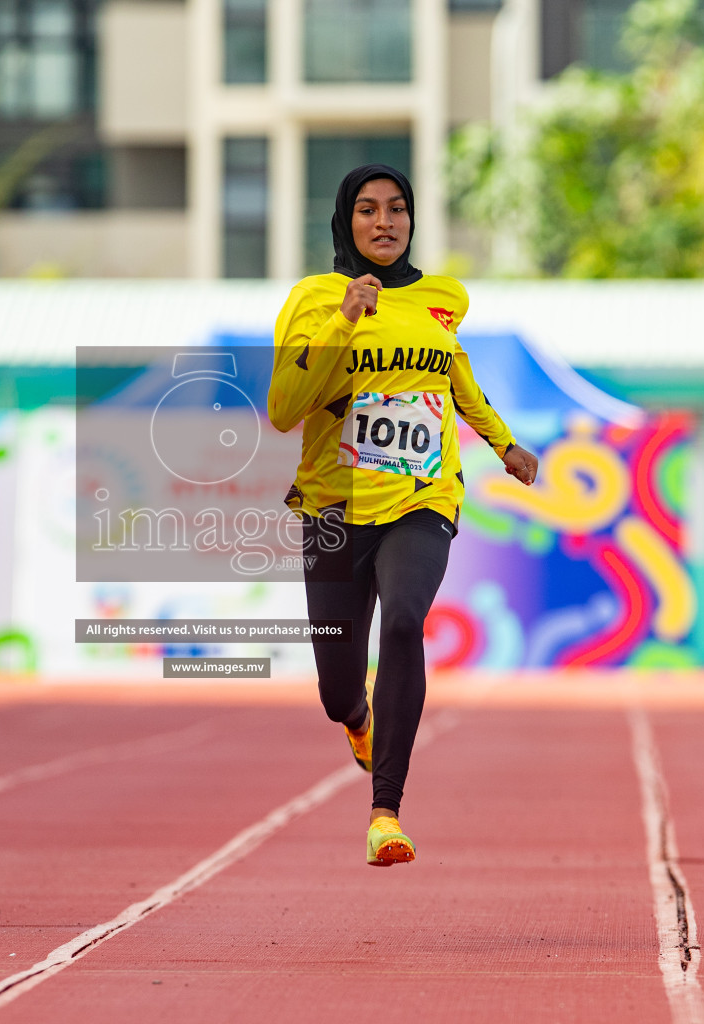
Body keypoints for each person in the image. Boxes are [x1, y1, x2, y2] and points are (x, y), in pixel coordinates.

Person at [268, 165, 538, 866]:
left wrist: (503, 442)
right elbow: (283, 408)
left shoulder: (444, 299)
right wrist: (343, 320)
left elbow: (456, 378)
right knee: (336, 688)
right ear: (344, 221)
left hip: (422, 496)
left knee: (407, 618)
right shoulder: (315, 298)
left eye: (397, 209)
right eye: (367, 210)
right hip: (335, 504)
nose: (384, 222)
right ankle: (356, 718)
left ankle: (385, 811)